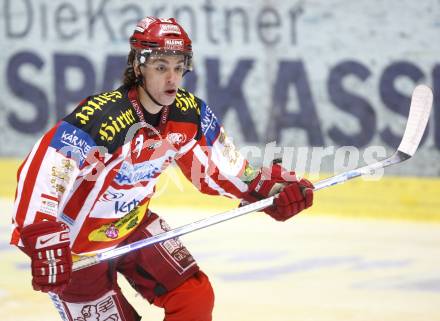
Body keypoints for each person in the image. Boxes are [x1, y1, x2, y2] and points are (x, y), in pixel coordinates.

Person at [10, 17, 314, 321]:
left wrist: (271, 191)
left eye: (179, 67)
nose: (172, 78)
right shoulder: (102, 117)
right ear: (138, 67)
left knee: (194, 298)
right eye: (161, 67)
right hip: (78, 251)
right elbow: (44, 169)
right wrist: (43, 236)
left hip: (133, 227)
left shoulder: (189, 113)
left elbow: (221, 169)